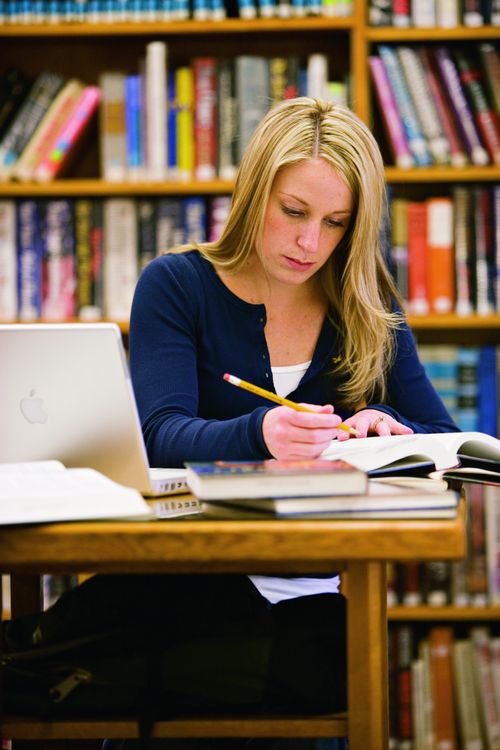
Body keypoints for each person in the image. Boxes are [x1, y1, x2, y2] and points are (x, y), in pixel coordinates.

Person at [127, 97, 458, 749]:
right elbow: (158, 435)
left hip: (318, 610)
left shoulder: (364, 303)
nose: (312, 243)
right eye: (294, 213)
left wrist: (383, 425)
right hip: (185, 601)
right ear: (254, 195)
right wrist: (260, 434)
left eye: (337, 222)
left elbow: (441, 438)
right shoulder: (176, 285)